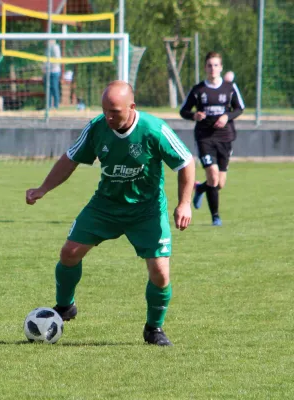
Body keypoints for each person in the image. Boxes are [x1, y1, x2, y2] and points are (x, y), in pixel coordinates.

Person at [26, 80, 194, 346]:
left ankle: (154, 329)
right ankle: (65, 306)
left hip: (146, 210)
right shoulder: (97, 128)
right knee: (69, 253)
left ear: (132, 107)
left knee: (160, 273)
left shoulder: (155, 129)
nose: (109, 116)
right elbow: (70, 159)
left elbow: (186, 162)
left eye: (115, 111)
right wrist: (43, 189)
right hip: (105, 205)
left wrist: (184, 203)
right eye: (105, 110)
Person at [180, 52, 245, 226]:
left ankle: (200, 188)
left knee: (219, 183)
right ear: (205, 68)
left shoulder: (229, 88)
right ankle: (215, 216)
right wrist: (195, 115)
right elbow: (183, 111)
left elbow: (240, 108)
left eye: (216, 65)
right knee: (214, 177)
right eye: (209, 65)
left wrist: (227, 116)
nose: (213, 68)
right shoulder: (198, 90)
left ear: (221, 67)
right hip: (205, 138)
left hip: (225, 138)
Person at [43, 40, 61, 109]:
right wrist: (44, 68)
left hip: (54, 71)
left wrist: (50, 67)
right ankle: (49, 106)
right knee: (48, 89)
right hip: (48, 72)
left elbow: (57, 60)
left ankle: (56, 106)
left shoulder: (55, 47)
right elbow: (45, 60)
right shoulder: (47, 48)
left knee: (54, 88)